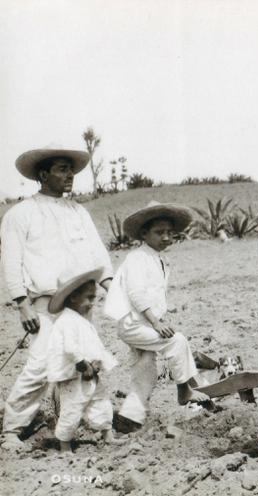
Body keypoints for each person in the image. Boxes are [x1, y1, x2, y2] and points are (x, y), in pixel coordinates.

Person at [1, 146, 113, 451]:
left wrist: (109, 286)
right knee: (40, 364)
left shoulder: (79, 212)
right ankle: (12, 429)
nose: (69, 176)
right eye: (62, 169)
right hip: (43, 302)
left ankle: (75, 423)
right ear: (43, 174)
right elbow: (11, 262)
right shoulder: (20, 214)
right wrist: (21, 303)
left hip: (79, 303)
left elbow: (98, 254)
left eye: (71, 170)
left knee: (82, 361)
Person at [104, 201, 212, 432]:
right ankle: (184, 391)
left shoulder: (159, 259)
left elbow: (154, 294)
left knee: (145, 369)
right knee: (177, 341)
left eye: (169, 233)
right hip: (134, 323)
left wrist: (159, 317)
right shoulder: (137, 258)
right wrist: (156, 322)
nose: (165, 237)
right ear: (144, 233)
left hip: (145, 321)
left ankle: (130, 417)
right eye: (159, 232)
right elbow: (136, 293)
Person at [46, 267, 122, 451]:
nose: (92, 303)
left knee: (101, 402)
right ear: (73, 298)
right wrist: (81, 362)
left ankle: (108, 434)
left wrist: (97, 361)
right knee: (72, 409)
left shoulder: (81, 320)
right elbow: (70, 348)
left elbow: (91, 345)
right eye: (89, 298)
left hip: (90, 373)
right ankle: (65, 446)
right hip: (74, 376)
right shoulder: (66, 321)